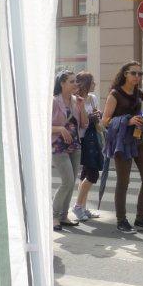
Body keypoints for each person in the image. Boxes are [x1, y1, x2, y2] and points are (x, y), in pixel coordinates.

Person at [101, 61, 143, 234]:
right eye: (133, 73)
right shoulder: (115, 94)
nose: (137, 77)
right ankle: (121, 220)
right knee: (123, 182)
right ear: (125, 74)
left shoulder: (140, 92)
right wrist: (126, 121)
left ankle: (141, 218)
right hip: (122, 143)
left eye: (139, 74)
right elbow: (104, 121)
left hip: (139, 139)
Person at [51, 70, 88, 232]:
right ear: (62, 83)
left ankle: (64, 216)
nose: (75, 84)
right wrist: (60, 128)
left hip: (75, 145)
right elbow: (43, 125)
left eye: (75, 81)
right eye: (71, 81)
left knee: (71, 183)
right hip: (58, 145)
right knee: (67, 181)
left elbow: (85, 124)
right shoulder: (54, 101)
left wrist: (81, 106)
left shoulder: (76, 100)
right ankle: (54, 216)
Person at [71, 71, 103, 221]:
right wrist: (90, 117)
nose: (95, 84)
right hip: (82, 139)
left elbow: (97, 120)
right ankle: (78, 206)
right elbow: (77, 122)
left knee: (86, 173)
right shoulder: (75, 100)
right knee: (92, 173)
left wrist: (98, 116)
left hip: (94, 137)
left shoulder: (93, 98)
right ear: (86, 84)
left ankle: (82, 207)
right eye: (92, 81)